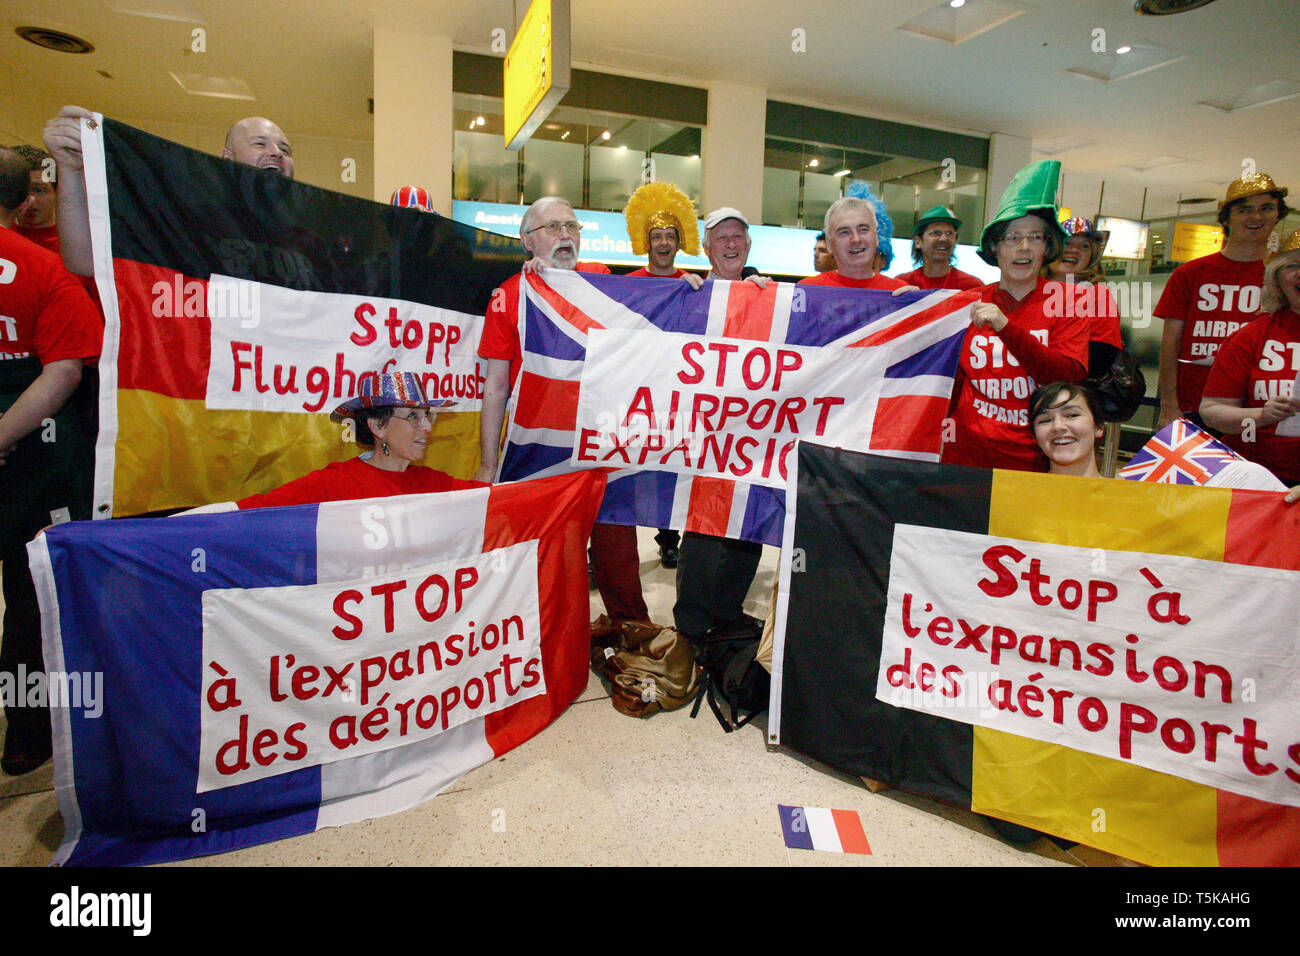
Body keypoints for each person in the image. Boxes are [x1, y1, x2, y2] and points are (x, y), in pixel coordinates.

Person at [474, 196, 654, 634]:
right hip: (540, 447)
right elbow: (495, 387)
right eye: (553, 228)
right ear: (527, 242)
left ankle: (632, 629)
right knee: (550, 546)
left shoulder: (601, 280)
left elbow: (657, 304)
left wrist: (689, 286)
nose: (566, 236)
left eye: (572, 227)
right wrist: (486, 462)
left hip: (603, 443)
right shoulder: (510, 296)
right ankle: (549, 633)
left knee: (617, 546)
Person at [0, 147, 103, 775]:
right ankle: (28, 736)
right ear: (22, 200)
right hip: (35, 460)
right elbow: (63, 370)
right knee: (31, 594)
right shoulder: (46, 272)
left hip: (31, 459)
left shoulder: (49, 267)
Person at [941, 160, 1090, 472]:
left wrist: (1005, 327)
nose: (1024, 248)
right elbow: (944, 381)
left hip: (1037, 464)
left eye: (1036, 237)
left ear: (1047, 248)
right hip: (965, 461)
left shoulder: (1071, 301)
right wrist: (904, 306)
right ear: (995, 248)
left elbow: (1066, 377)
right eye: (1012, 237)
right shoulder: (968, 303)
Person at [42, 106, 295, 276]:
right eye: (259, 143)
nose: (276, 152)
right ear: (226, 159)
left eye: (285, 149)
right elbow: (85, 261)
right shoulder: (183, 219)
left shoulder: (311, 238)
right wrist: (71, 171)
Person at [672, 207, 770, 646]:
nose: (730, 244)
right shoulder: (690, 295)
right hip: (704, 434)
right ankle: (691, 625)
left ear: (747, 245)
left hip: (755, 433)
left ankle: (729, 612)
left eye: (738, 237)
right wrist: (680, 298)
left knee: (749, 525)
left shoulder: (770, 297)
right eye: (721, 238)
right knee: (703, 528)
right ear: (707, 249)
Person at [1155, 173, 1289, 428]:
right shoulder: (1189, 274)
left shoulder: (1287, 276)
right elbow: (1170, 344)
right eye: (1245, 210)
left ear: (1277, 215)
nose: (1256, 217)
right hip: (1191, 405)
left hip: (1262, 409)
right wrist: (1169, 405)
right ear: (1227, 218)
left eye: (1266, 208)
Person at [237, 370, 481, 509]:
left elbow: (495, 500)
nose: (427, 427)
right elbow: (250, 515)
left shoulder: (434, 484)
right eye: (413, 417)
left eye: (428, 416)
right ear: (377, 426)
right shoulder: (332, 484)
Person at [623, 181, 704, 568]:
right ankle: (605, 543)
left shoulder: (693, 285)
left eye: (670, 235)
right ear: (646, 240)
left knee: (673, 467)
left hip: (677, 394)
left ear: (679, 240)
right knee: (629, 466)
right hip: (635, 391)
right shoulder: (627, 285)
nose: (663, 242)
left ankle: (669, 538)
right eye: (656, 236)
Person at [1198, 229, 1300, 487]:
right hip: (1256, 478)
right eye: (1294, 265)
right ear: (1277, 277)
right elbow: (1211, 412)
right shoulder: (1250, 337)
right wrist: (1262, 415)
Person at [798, 194, 905, 291]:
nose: (856, 239)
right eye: (844, 232)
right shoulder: (807, 293)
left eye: (863, 229)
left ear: (876, 237)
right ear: (830, 244)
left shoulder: (901, 295)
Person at [895, 205, 984, 291]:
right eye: (936, 233)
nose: (944, 238)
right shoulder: (902, 284)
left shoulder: (972, 286)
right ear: (918, 242)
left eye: (949, 233)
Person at [1030, 381, 1104, 478]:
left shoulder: (1124, 492)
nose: (1058, 427)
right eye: (1045, 420)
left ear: (1098, 427)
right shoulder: (1017, 492)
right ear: (1035, 437)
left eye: (1072, 415)